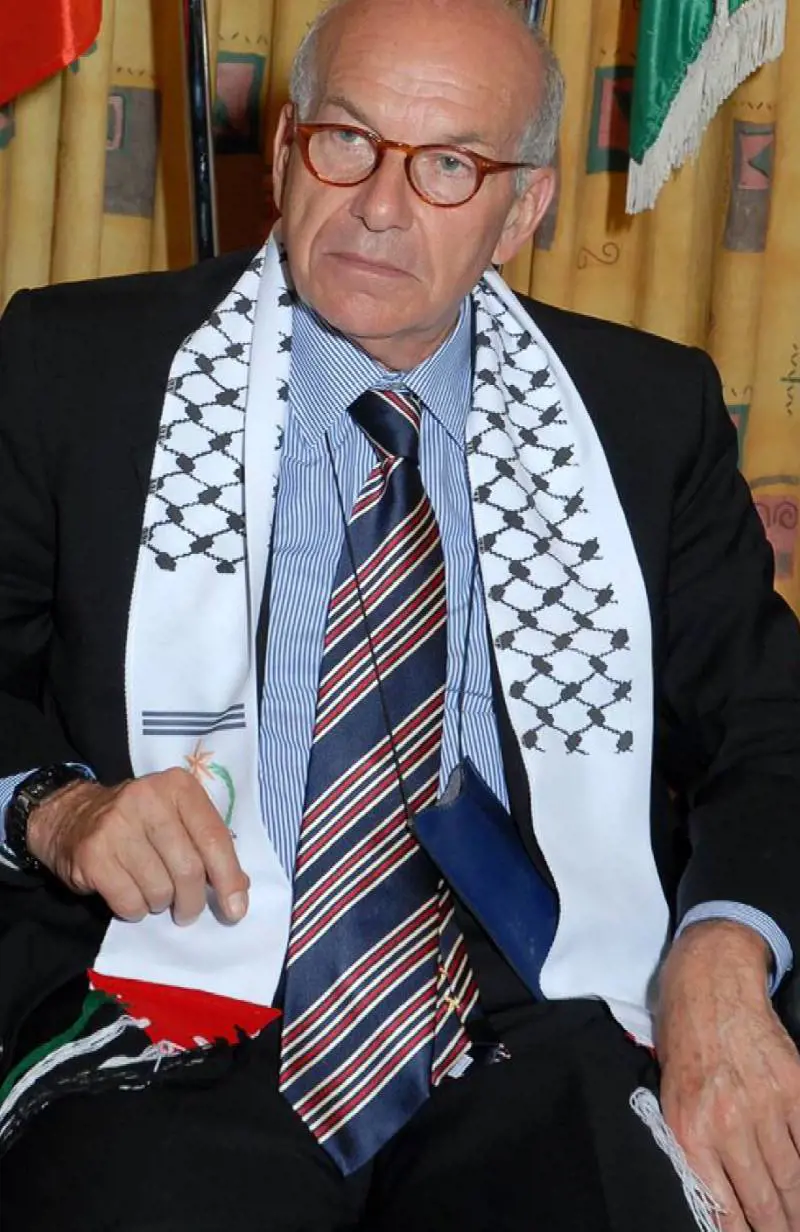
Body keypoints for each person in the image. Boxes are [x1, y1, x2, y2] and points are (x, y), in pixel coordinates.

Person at [1, 0, 800, 1228]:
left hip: (542, 1007)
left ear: (521, 210)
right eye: (347, 142)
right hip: (168, 999)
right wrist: (62, 808)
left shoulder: (643, 413)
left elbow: (770, 725)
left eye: (448, 166)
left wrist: (723, 948)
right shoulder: (76, 367)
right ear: (283, 151)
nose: (379, 205)